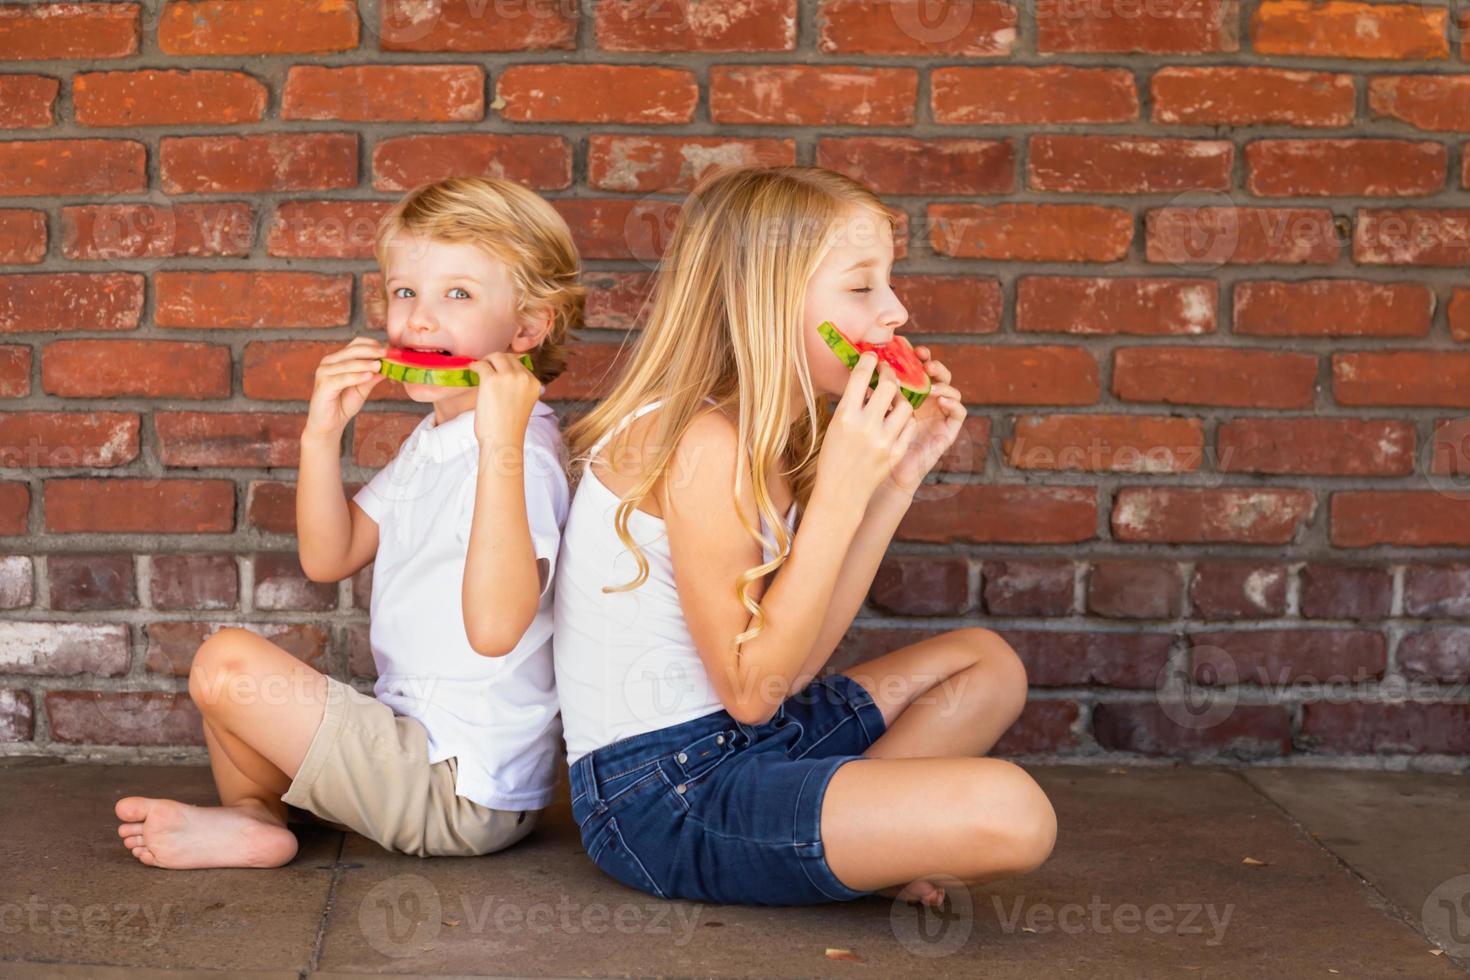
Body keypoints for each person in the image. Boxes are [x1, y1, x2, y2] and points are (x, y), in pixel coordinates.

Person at [552, 165, 1056, 907]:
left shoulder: (773, 436)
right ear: (767, 304)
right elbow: (753, 694)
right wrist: (842, 492)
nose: (896, 308)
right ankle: (864, 843)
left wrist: (890, 487)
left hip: (751, 740)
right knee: (1014, 814)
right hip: (662, 794)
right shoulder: (701, 442)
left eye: (887, 281)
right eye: (861, 287)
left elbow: (792, 667)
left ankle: (861, 841)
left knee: (987, 664)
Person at [114, 177, 581, 868]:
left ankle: (254, 817)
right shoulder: (436, 438)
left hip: (465, 786)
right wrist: (320, 434)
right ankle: (252, 821)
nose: (419, 320)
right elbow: (330, 557)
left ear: (527, 328)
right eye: (405, 292)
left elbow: (496, 628)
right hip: (411, 739)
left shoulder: (524, 454)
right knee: (236, 678)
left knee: (229, 666)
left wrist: (502, 447)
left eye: (458, 294)